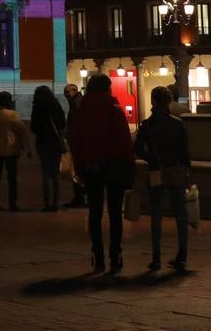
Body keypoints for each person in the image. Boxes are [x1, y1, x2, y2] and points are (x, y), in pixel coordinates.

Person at [70, 73, 135, 274]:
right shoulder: (114, 109)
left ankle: (97, 256)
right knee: (115, 213)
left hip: (91, 167)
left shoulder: (80, 111)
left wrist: (79, 169)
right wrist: (129, 165)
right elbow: (124, 141)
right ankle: (115, 255)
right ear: (108, 88)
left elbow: (76, 142)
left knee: (95, 213)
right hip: (114, 166)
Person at [135, 85, 191, 272]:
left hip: (156, 171)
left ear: (152, 101)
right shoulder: (177, 124)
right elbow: (184, 152)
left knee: (156, 215)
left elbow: (138, 149)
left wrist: (150, 158)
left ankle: (156, 256)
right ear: (169, 102)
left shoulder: (147, 125)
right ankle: (182, 254)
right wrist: (186, 169)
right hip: (175, 170)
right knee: (180, 214)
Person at [0, 91, 30, 211]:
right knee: (12, 178)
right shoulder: (12, 114)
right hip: (10, 148)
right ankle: (12, 203)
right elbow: (22, 130)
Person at [31, 85, 66, 212]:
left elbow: (33, 127)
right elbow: (62, 124)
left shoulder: (37, 107)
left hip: (42, 142)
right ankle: (56, 202)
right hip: (56, 143)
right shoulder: (56, 105)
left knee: (45, 173)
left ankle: (47, 202)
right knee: (55, 173)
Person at [63, 83, 87, 208]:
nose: (66, 94)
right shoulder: (77, 101)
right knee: (78, 170)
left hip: (78, 142)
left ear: (75, 91)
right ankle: (80, 197)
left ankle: (80, 197)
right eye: (65, 92)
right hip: (78, 140)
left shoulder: (76, 103)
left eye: (68, 92)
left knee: (78, 170)